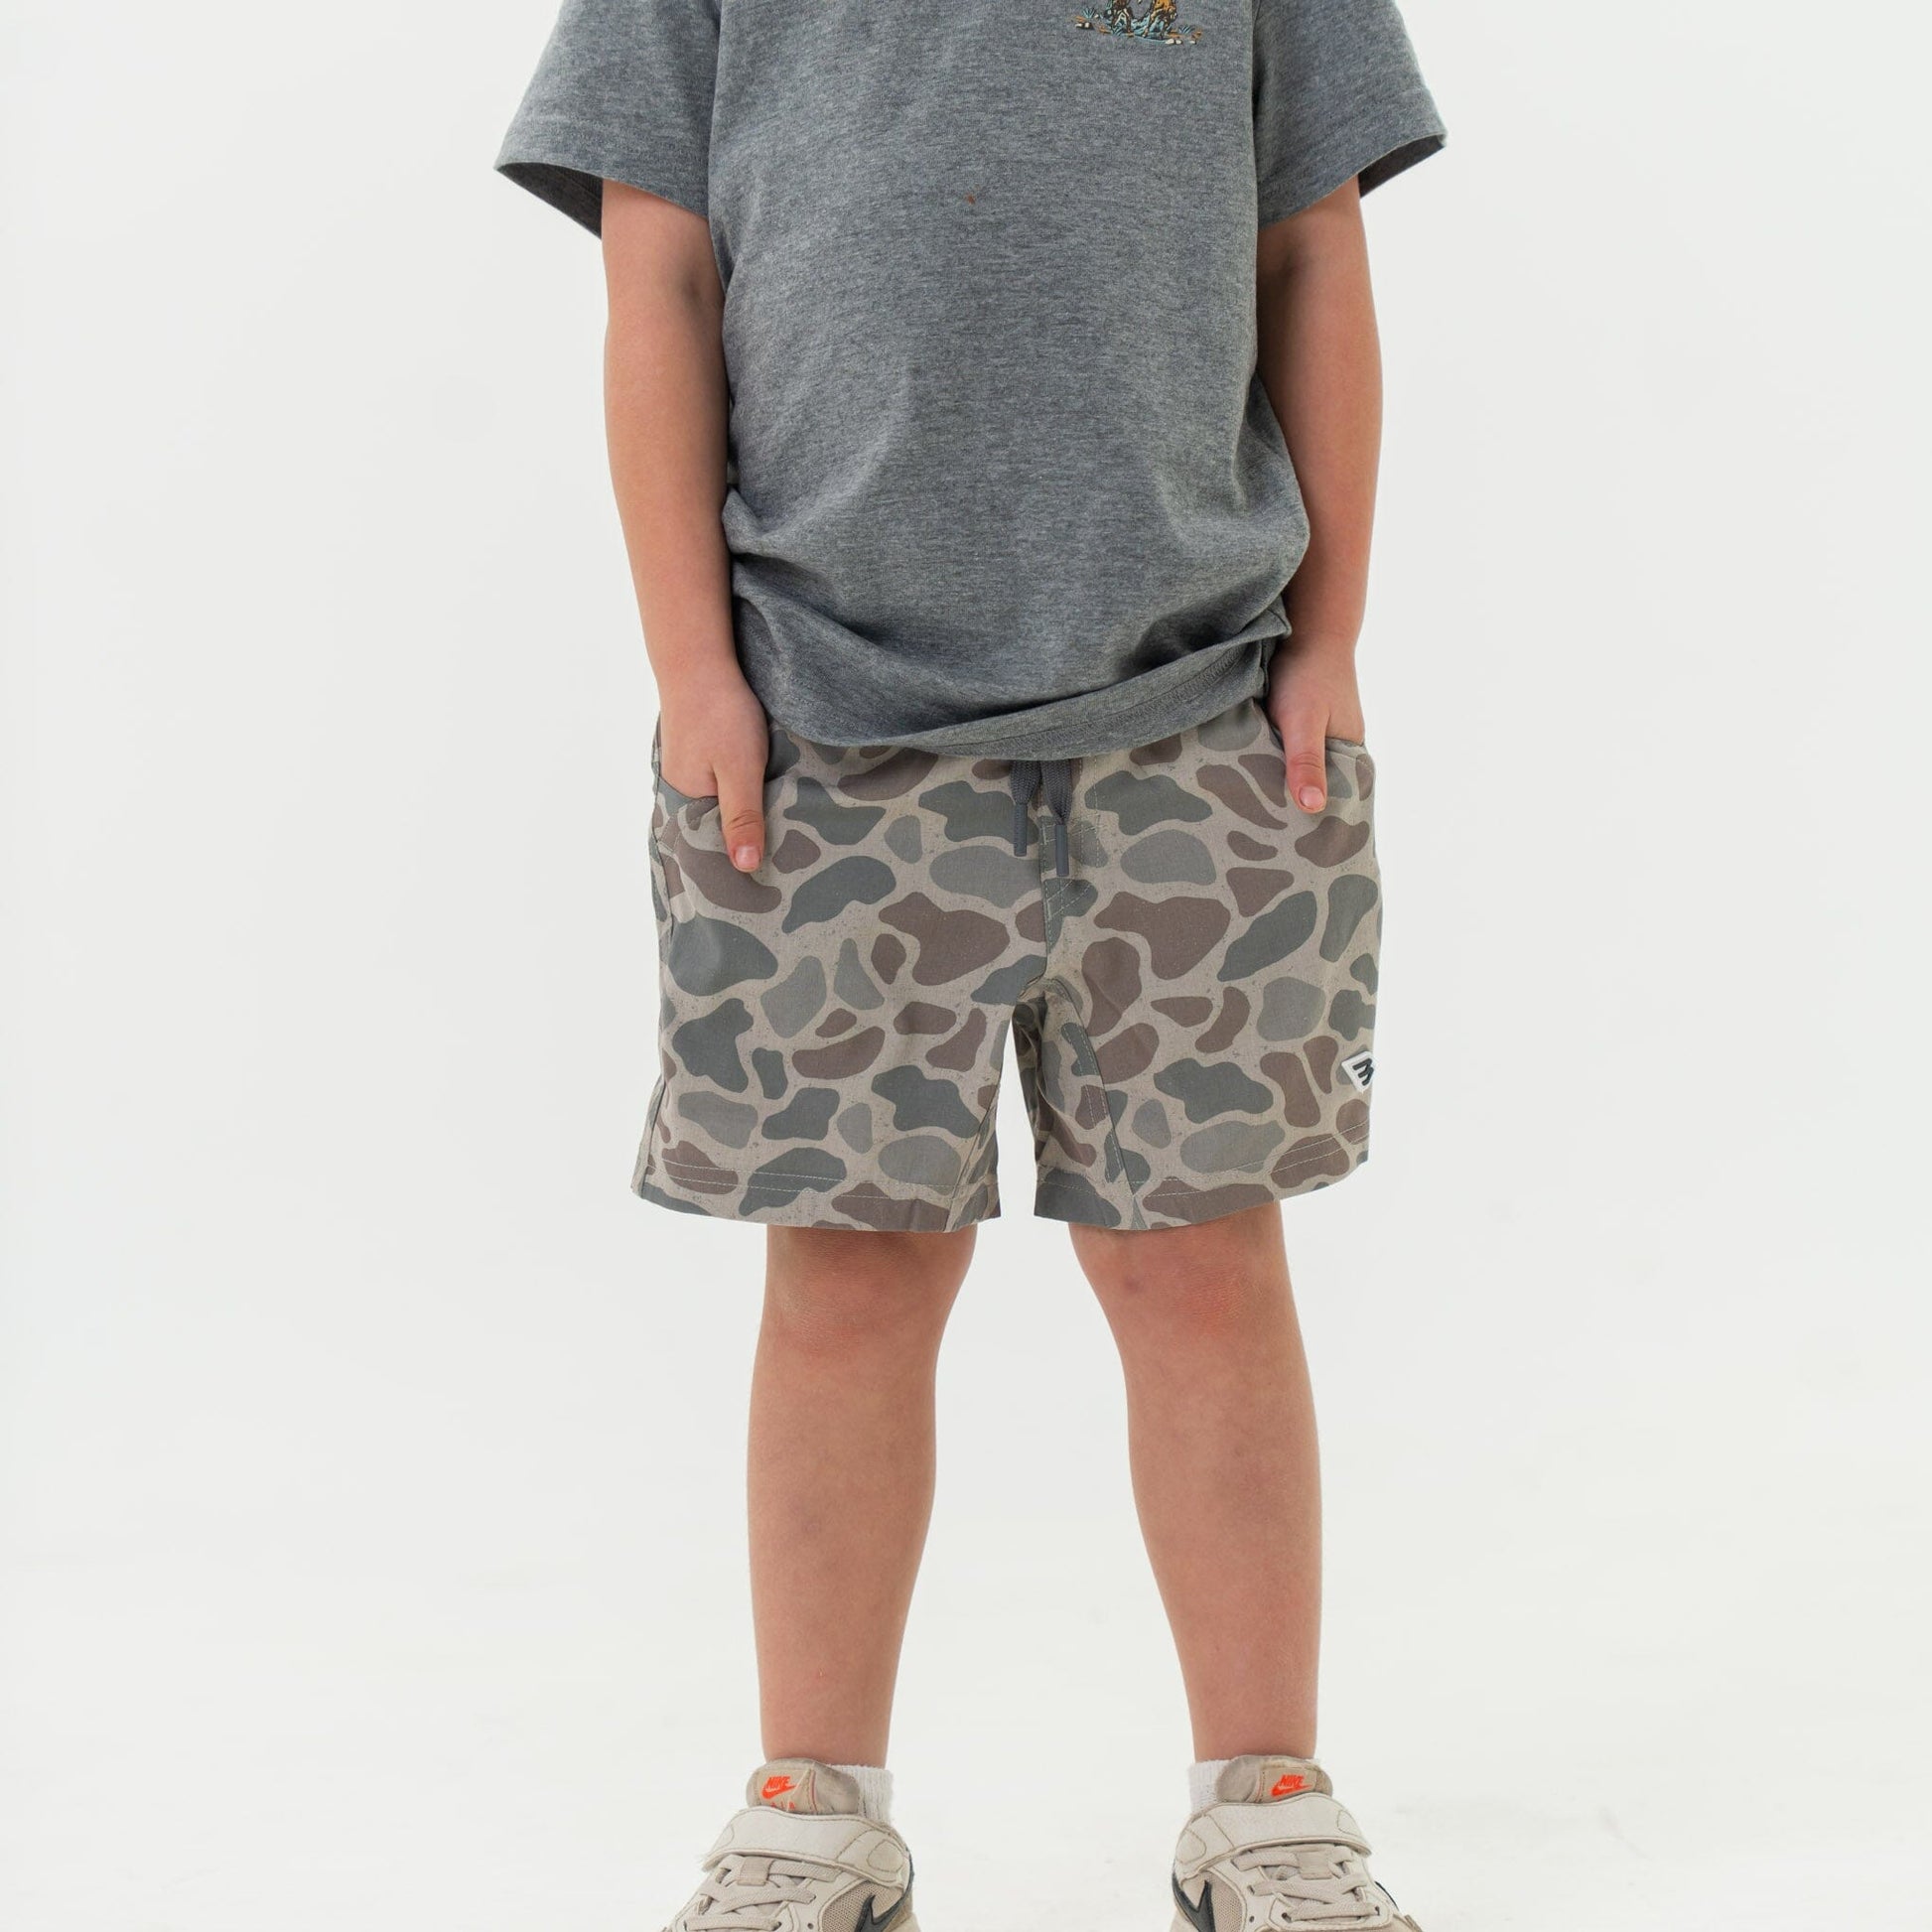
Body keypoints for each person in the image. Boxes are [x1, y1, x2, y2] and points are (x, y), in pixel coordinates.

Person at [496, 0, 1445, 1922]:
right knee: (846, 1275)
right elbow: (656, 275)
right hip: (821, 719)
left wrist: (1330, 635)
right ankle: (811, 1800)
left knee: (1201, 1260)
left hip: (1196, 701)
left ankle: (1263, 1793)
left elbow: (1313, 247)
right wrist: (692, 666)